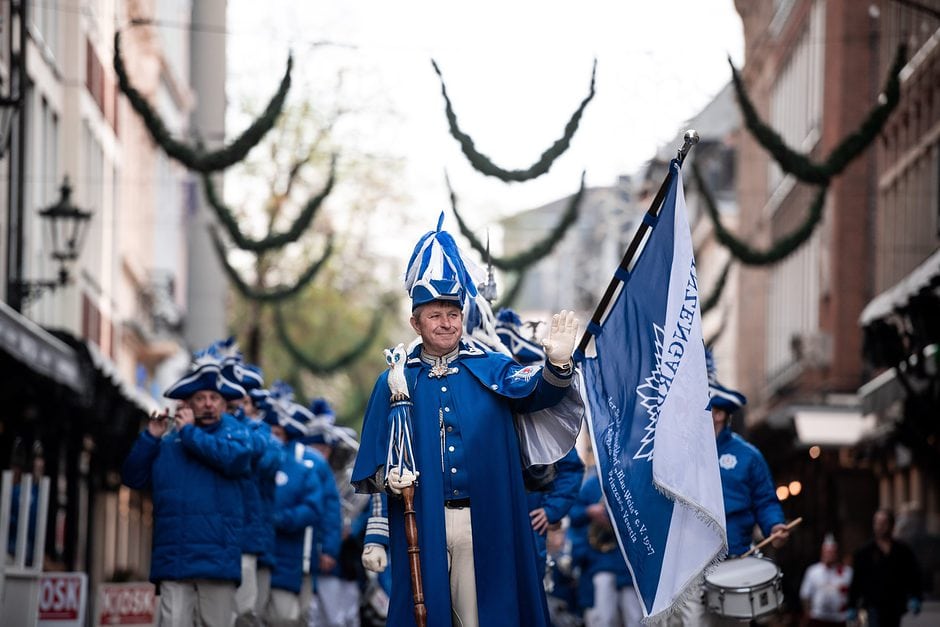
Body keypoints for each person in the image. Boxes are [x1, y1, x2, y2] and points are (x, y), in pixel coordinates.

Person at [351, 216, 582, 627]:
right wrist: (389, 482)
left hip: (486, 519)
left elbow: (537, 393)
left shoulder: (492, 366)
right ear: (415, 322)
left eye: (453, 313)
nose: (447, 322)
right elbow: (373, 465)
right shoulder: (395, 379)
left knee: (482, 619)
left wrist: (558, 365)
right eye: (435, 314)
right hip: (421, 521)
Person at [122, 349, 253, 627]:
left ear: (223, 403)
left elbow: (234, 459)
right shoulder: (169, 441)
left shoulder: (236, 432)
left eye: (214, 398)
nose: (208, 404)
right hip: (175, 560)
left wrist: (190, 433)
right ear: (188, 403)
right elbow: (132, 478)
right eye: (200, 398)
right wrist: (150, 437)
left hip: (217, 562)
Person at [669, 380, 789, 626]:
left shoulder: (748, 456)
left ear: (720, 414)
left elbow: (765, 500)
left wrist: (774, 525)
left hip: (736, 559)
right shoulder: (679, 452)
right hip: (691, 564)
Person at [264, 394, 323, 627]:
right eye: (269, 431)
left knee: (284, 617)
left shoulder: (303, 467)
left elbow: (313, 508)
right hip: (253, 554)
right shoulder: (250, 460)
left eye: (278, 433)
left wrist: (281, 519)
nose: (273, 438)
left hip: (287, 558)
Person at [570, 471, 642, 627]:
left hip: (629, 564)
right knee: (603, 618)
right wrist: (588, 511)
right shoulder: (591, 484)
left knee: (635, 618)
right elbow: (574, 515)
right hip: (601, 562)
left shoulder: (632, 478)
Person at [846, 509, 922, 627]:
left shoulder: (902, 551)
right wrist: (852, 605)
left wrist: (916, 596)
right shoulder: (865, 552)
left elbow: (913, 575)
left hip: (895, 605)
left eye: (883, 522)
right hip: (873, 605)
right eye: (877, 522)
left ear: (891, 525)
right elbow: (857, 581)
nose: (880, 526)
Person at [799, 534, 852, 626]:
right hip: (818, 618)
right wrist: (808, 613)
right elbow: (805, 595)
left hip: (839, 618)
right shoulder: (813, 571)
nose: (829, 555)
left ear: (836, 553)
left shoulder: (847, 572)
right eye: (827, 552)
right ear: (822, 552)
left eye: (832, 552)